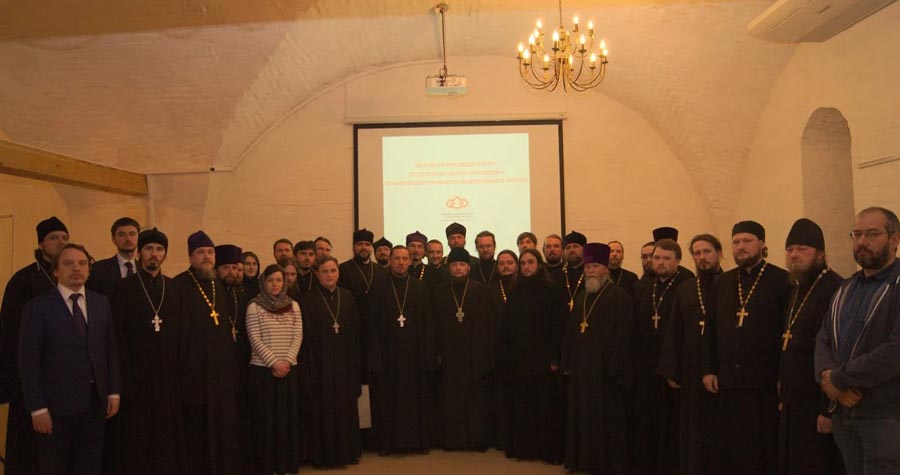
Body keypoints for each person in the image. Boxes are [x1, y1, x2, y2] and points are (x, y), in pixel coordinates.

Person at [19, 243, 121, 475]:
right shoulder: (37, 308)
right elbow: (29, 361)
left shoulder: (101, 303)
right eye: (69, 263)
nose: (77, 268)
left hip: (94, 404)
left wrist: (113, 391)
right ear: (56, 271)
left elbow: (110, 350)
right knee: (54, 466)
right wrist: (37, 408)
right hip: (55, 407)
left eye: (82, 263)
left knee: (90, 465)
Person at [701, 221, 792, 475]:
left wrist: (783, 376)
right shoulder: (722, 282)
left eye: (747, 241)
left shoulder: (782, 280)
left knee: (764, 445)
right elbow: (710, 328)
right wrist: (708, 368)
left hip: (765, 382)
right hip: (728, 380)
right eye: (736, 242)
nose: (741, 247)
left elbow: (787, 331)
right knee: (731, 446)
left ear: (762, 244)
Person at [815, 207, 900, 475]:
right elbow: (823, 338)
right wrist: (827, 379)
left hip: (886, 415)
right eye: (857, 234)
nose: (862, 241)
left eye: (872, 234)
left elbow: (895, 350)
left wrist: (838, 379)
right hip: (846, 415)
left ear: (895, 239)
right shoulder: (847, 286)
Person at [108, 228, 186, 475]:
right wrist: (124, 379)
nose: (154, 254)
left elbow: (183, 335)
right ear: (140, 252)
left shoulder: (174, 288)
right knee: (137, 437)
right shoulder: (122, 289)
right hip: (136, 378)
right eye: (149, 248)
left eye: (160, 249)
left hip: (168, 379)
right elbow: (117, 337)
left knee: (166, 435)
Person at [0, 216, 69, 475]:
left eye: (65, 238)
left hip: (67, 384)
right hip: (30, 384)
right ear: (41, 244)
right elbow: (9, 336)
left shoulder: (75, 277)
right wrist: (15, 385)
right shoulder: (23, 281)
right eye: (54, 238)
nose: (61, 242)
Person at [174, 231, 246, 475]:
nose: (206, 256)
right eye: (200, 252)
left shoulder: (219, 286)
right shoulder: (179, 285)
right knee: (198, 426)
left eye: (210, 252)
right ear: (191, 257)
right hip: (194, 370)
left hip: (221, 370)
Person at [777, 218, 844, 475]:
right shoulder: (797, 287)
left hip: (818, 401)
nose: (794, 255)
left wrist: (827, 409)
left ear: (820, 254)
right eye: (790, 249)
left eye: (802, 249)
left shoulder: (835, 288)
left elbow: (836, 351)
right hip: (794, 401)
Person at [562, 243, 634, 474]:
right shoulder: (581, 297)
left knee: (605, 418)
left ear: (606, 269)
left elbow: (625, 337)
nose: (591, 271)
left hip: (606, 374)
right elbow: (571, 332)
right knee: (582, 416)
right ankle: (583, 460)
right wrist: (567, 360)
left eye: (595, 266)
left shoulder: (619, 298)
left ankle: (605, 462)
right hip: (582, 371)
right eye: (588, 267)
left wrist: (616, 368)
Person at [657, 234, 724, 475]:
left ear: (719, 253)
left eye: (707, 251)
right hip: (689, 370)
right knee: (693, 428)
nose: (702, 257)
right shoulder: (686, 288)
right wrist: (671, 369)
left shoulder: (729, 284)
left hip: (720, 371)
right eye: (697, 253)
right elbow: (674, 330)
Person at [367, 246, 435, 454]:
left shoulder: (420, 287)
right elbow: (371, 325)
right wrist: (375, 358)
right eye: (397, 258)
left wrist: (428, 354)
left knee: (415, 400)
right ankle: (387, 444)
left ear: (409, 261)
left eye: (405, 259)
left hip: (414, 355)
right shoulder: (378, 288)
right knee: (388, 401)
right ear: (390, 260)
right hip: (388, 355)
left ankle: (418, 442)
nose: (401, 262)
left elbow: (428, 323)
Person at [503, 249, 568, 463]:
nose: (526, 267)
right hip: (520, 359)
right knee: (523, 405)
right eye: (522, 263)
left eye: (530, 262)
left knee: (546, 406)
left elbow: (559, 327)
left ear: (539, 265)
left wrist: (555, 358)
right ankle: (524, 448)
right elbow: (508, 327)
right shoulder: (514, 292)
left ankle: (547, 450)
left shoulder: (553, 291)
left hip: (544, 359)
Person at [634, 238, 692, 475]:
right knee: (648, 418)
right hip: (645, 364)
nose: (659, 262)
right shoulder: (643, 286)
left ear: (678, 261)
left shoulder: (686, 286)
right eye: (656, 257)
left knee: (671, 420)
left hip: (672, 365)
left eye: (666, 258)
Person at [299, 256, 362, 467]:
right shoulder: (306, 300)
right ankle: (324, 456)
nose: (329, 275)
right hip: (320, 364)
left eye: (333, 270)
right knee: (322, 410)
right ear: (317, 274)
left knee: (345, 408)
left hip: (345, 362)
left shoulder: (348, 297)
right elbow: (306, 337)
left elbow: (355, 334)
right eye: (325, 271)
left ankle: (346, 453)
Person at [432, 248, 495, 450]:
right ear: (449, 268)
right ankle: (452, 440)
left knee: (475, 400)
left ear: (469, 267)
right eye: (454, 265)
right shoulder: (439, 291)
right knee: (450, 399)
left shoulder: (479, 290)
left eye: (462, 265)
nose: (458, 268)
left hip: (473, 354)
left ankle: (477, 440)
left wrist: (483, 354)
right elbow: (434, 325)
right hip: (449, 354)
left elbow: (486, 325)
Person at [246, 264, 304, 475]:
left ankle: (286, 465)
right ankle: (267, 466)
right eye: (270, 280)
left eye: (279, 280)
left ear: (284, 282)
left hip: (288, 370)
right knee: (266, 421)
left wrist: (287, 361)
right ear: (264, 282)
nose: (275, 284)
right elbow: (254, 339)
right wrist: (274, 363)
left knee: (287, 420)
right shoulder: (254, 306)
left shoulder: (293, 306)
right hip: (264, 372)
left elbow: (298, 335)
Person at [490, 249, 518, 450]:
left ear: (516, 265)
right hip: (498, 351)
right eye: (501, 263)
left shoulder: (524, 286)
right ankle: (501, 439)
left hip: (522, 351)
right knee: (500, 398)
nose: (506, 266)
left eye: (509, 262)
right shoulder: (491, 289)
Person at [86, 216, 140, 296]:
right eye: (121, 234)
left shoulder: (145, 269)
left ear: (139, 237)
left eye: (132, 234)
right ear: (113, 239)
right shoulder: (97, 270)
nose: (128, 239)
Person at [553, 231, 587, 312]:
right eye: (568, 247)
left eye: (576, 246)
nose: (571, 250)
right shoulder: (555, 276)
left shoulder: (592, 274)